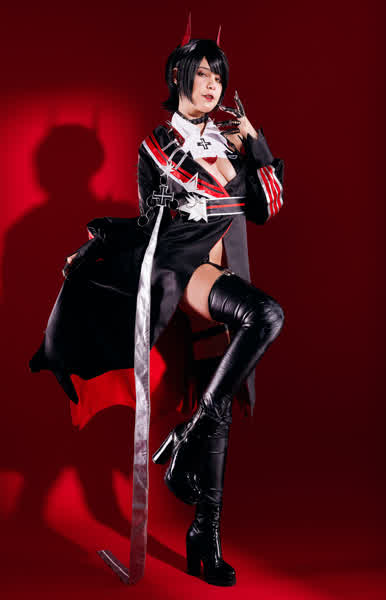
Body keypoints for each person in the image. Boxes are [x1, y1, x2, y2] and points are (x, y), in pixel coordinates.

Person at [30, 18, 285, 587]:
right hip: (182, 271)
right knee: (262, 319)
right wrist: (96, 241)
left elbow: (268, 207)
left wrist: (256, 144)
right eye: (202, 74)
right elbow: (160, 220)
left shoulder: (233, 140)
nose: (212, 84)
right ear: (177, 77)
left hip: (222, 274)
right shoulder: (157, 145)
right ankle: (186, 443)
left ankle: (204, 533)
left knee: (225, 390)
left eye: (218, 76)